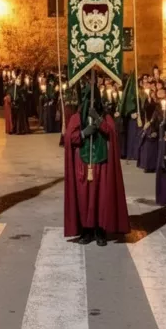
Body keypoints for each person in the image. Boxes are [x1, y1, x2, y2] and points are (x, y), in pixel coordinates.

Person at [63, 82, 130, 246]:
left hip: (101, 162)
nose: (90, 103)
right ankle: (86, 229)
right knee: (84, 196)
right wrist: (83, 133)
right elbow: (69, 138)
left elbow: (112, 133)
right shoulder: (77, 117)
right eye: (87, 99)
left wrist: (99, 121)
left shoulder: (105, 116)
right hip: (83, 163)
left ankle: (100, 230)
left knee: (101, 196)